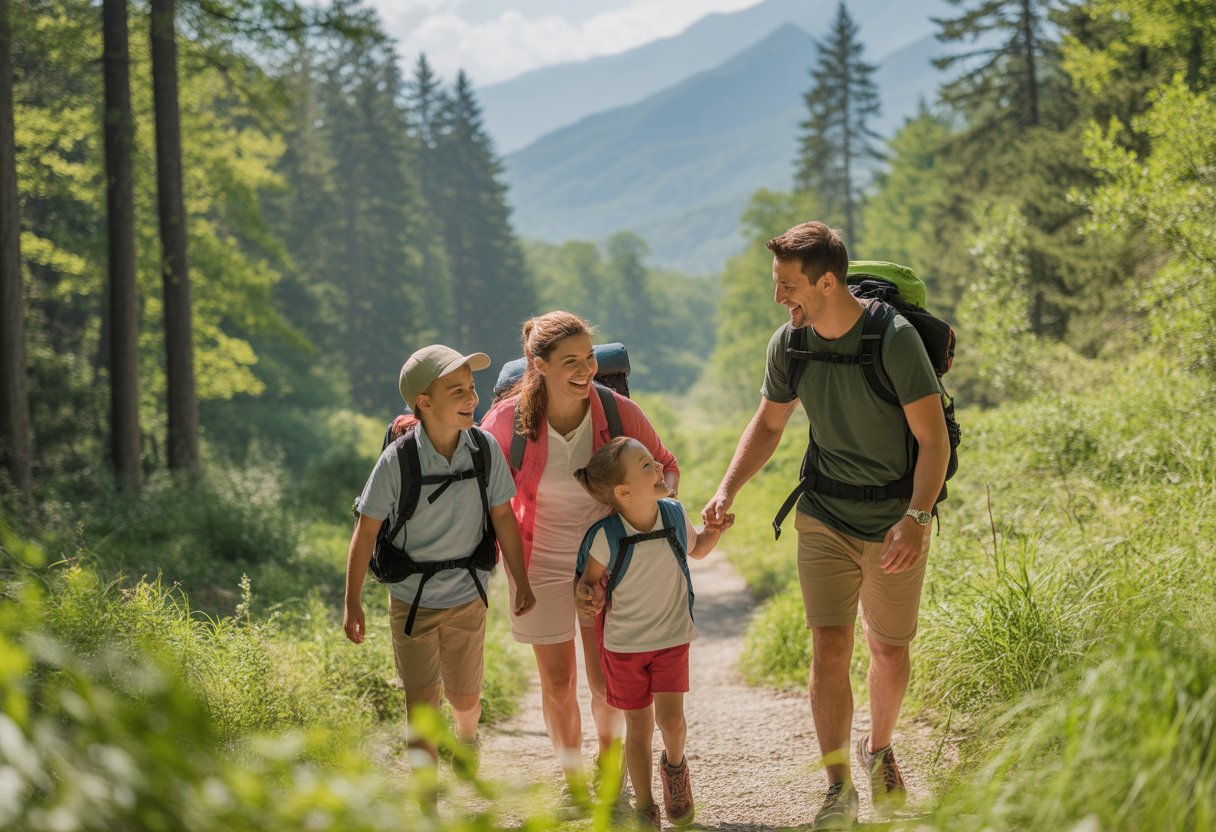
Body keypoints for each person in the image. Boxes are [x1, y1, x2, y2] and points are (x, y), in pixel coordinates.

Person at [701, 222, 949, 830]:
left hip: (894, 519)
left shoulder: (892, 339)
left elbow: (932, 439)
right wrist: (726, 490)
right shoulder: (790, 344)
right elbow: (767, 426)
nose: (780, 298)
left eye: (788, 286)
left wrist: (916, 519)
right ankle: (838, 786)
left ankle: (880, 748)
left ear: (828, 281)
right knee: (830, 644)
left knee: (889, 649)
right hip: (825, 515)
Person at [480, 311, 680, 818]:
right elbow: (482, 491)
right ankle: (572, 785)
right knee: (558, 683)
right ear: (538, 365)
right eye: (570, 361)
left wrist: (651, 502)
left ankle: (608, 770)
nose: (585, 369)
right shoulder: (506, 422)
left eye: (589, 357)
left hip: (604, 561)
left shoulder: (617, 413)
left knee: (604, 681)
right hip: (537, 561)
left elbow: (667, 467)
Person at [343, 345, 536, 768]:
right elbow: (367, 527)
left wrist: (521, 580)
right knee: (423, 707)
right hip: (412, 600)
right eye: (457, 391)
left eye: (471, 388)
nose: (471, 398)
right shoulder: (398, 460)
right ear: (425, 403)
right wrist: (352, 601)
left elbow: (504, 516)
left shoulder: (484, 448)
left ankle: (467, 737)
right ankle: (425, 804)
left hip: (468, 595)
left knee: (464, 699)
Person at [573, 436, 727, 829]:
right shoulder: (606, 536)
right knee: (638, 728)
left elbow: (698, 549)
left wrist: (716, 530)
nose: (659, 468)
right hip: (623, 647)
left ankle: (675, 771)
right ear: (623, 492)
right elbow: (587, 585)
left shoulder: (673, 515)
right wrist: (587, 595)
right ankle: (645, 806)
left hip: (672, 639)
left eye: (654, 462)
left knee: (672, 722)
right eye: (646, 466)